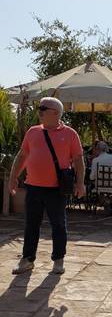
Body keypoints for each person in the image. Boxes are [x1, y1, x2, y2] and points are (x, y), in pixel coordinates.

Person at [8, 97, 85, 275]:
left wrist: (80, 183)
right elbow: (22, 156)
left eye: (43, 108)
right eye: (39, 108)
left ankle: (58, 260)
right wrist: (13, 178)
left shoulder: (70, 134)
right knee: (31, 225)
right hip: (33, 186)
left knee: (58, 225)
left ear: (55, 113)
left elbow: (79, 160)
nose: (39, 111)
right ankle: (27, 259)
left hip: (56, 189)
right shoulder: (33, 132)